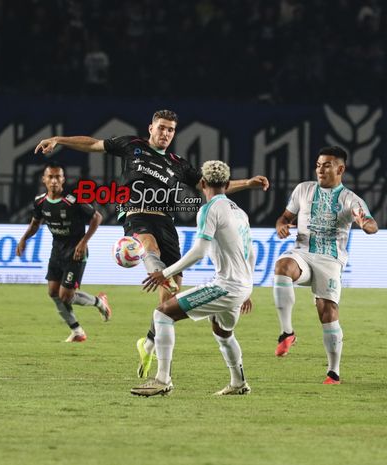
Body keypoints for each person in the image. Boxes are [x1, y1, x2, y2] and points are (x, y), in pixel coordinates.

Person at [34, 110, 268, 375]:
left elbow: (212, 186)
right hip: (136, 214)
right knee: (149, 246)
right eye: (162, 128)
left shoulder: (178, 163)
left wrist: (247, 183)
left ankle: (147, 344)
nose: (165, 133)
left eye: (170, 130)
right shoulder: (132, 146)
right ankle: (156, 271)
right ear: (151, 128)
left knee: (169, 300)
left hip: (166, 222)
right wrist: (59, 140)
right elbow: (93, 144)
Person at [130, 160, 255, 397]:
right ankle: (238, 383)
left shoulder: (208, 210)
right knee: (222, 332)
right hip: (242, 284)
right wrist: (248, 289)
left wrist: (163, 273)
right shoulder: (240, 212)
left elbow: (199, 251)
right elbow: (251, 251)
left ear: (203, 183)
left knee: (162, 313)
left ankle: (162, 379)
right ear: (227, 184)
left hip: (227, 286)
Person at [272, 146, 378, 384]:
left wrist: (364, 223)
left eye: (327, 165)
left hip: (330, 260)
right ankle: (287, 333)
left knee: (327, 313)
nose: (320, 169)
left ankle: (333, 371)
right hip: (302, 253)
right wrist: (281, 224)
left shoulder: (350, 199)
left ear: (340, 169)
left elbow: (372, 225)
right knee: (282, 267)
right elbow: (285, 217)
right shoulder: (303, 189)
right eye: (318, 165)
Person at [16, 161, 112, 343]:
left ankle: (100, 302)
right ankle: (77, 331)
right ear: (44, 179)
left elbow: (97, 217)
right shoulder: (40, 202)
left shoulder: (72, 201)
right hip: (57, 251)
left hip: (76, 252)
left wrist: (84, 242)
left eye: (57, 177)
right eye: (50, 177)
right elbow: (36, 223)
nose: (54, 181)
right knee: (53, 292)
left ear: (63, 179)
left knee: (65, 296)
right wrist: (24, 238)